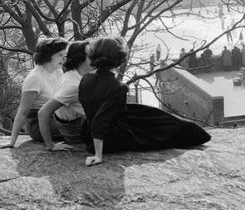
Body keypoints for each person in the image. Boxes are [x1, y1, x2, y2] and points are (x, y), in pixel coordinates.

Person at [78, 36, 211, 166]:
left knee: (151, 114)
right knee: (167, 128)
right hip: (111, 138)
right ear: (119, 59)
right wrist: (98, 155)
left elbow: (95, 109)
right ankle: (193, 132)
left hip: (87, 133)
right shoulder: (117, 87)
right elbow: (100, 122)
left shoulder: (86, 78)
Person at [1, 37, 68, 147]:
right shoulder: (35, 78)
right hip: (38, 123)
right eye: (60, 55)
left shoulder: (58, 71)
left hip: (56, 116)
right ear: (48, 56)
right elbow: (22, 112)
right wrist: (12, 142)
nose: (64, 58)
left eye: (65, 55)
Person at [37, 40, 91, 151]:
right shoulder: (73, 85)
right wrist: (50, 145)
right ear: (81, 59)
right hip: (77, 131)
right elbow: (43, 112)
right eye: (92, 56)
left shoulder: (71, 75)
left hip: (81, 123)